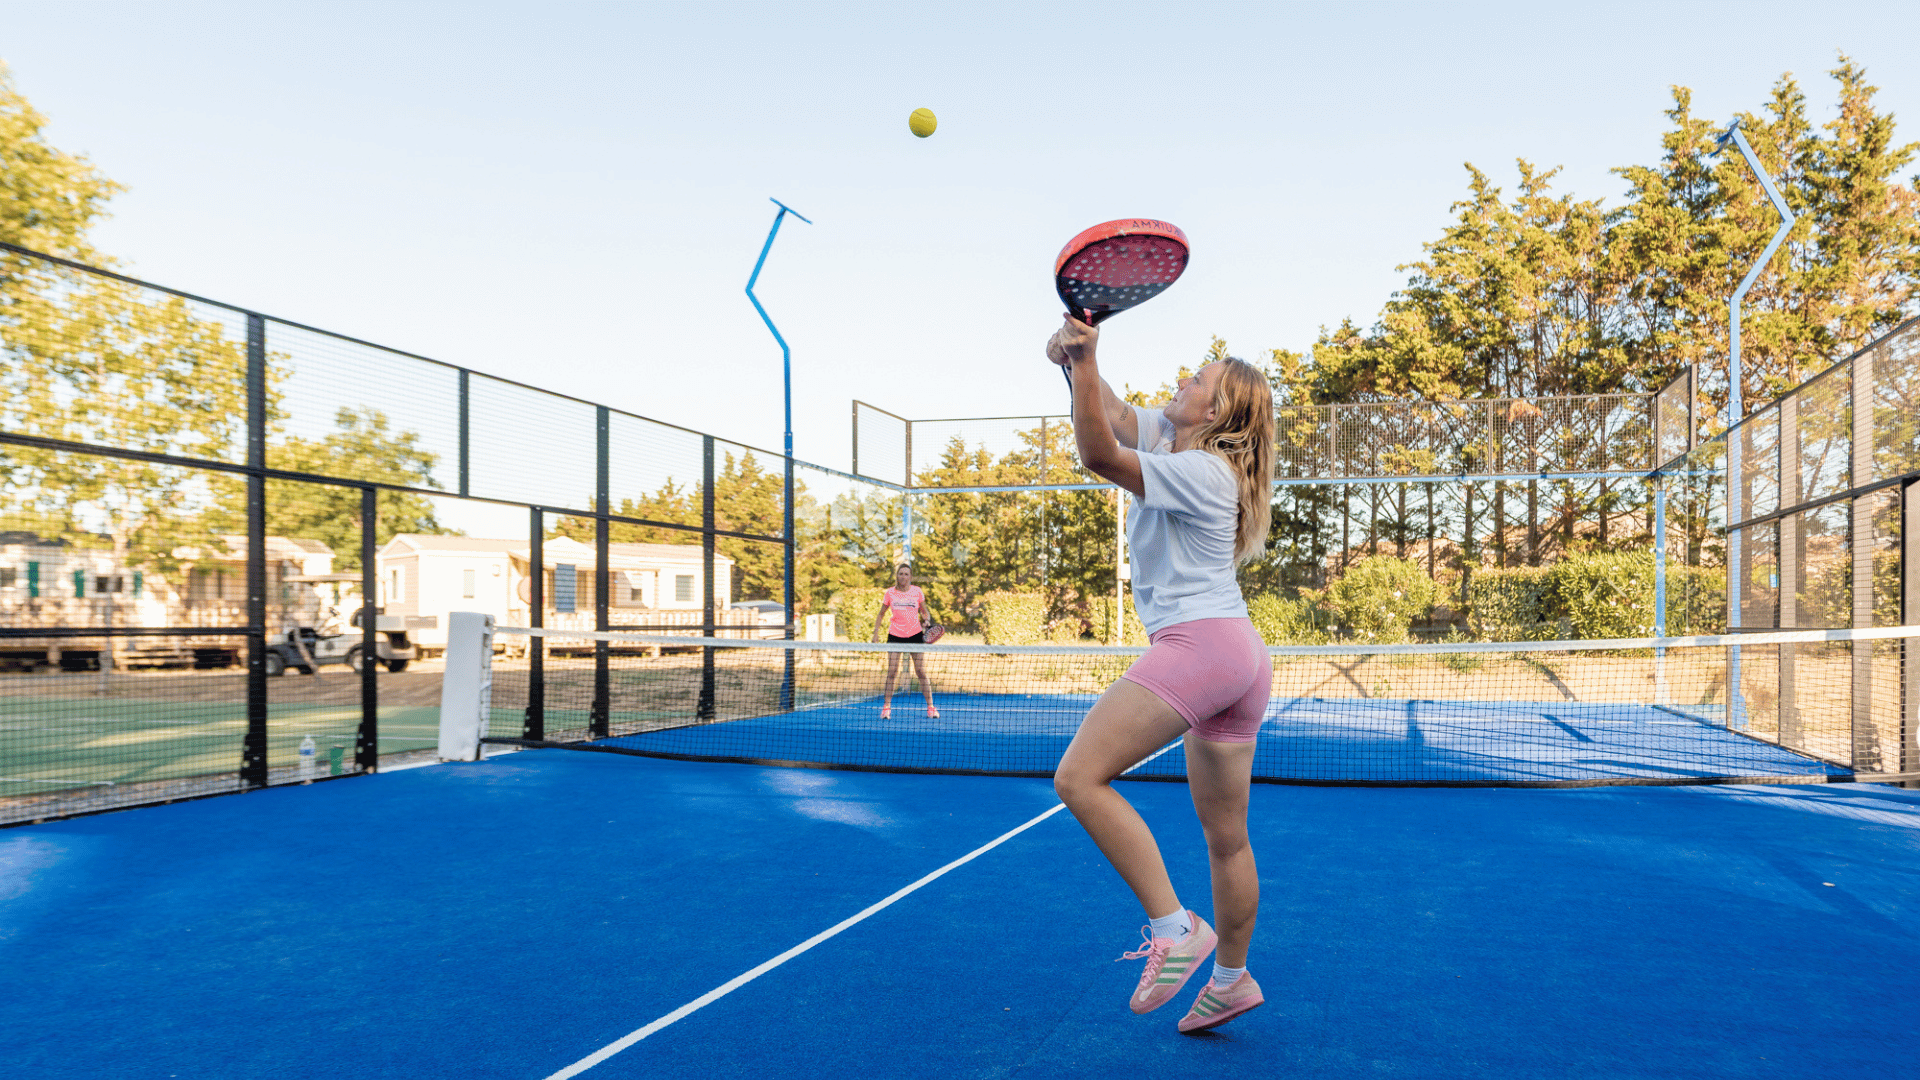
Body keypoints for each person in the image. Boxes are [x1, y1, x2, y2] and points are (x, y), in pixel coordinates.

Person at [1045, 312, 1275, 1034]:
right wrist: (1073, 361)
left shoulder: (1204, 470)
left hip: (1200, 645)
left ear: (1219, 412)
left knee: (1079, 778)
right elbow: (1109, 411)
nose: (1185, 378)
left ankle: (1175, 929)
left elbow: (1098, 454)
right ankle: (1232, 982)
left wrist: (1085, 359)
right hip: (1238, 653)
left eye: (1199, 379)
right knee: (1226, 839)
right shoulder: (1177, 440)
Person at [873, 563, 939, 720]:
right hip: (895, 635)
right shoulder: (890, 593)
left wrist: (927, 620)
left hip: (915, 635)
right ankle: (886, 708)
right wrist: (875, 633)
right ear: (897, 576)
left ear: (910, 576)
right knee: (892, 672)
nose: (903, 576)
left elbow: (925, 611)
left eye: (906, 574)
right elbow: (881, 614)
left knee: (921, 672)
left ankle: (930, 708)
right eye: (900, 573)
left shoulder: (917, 591)